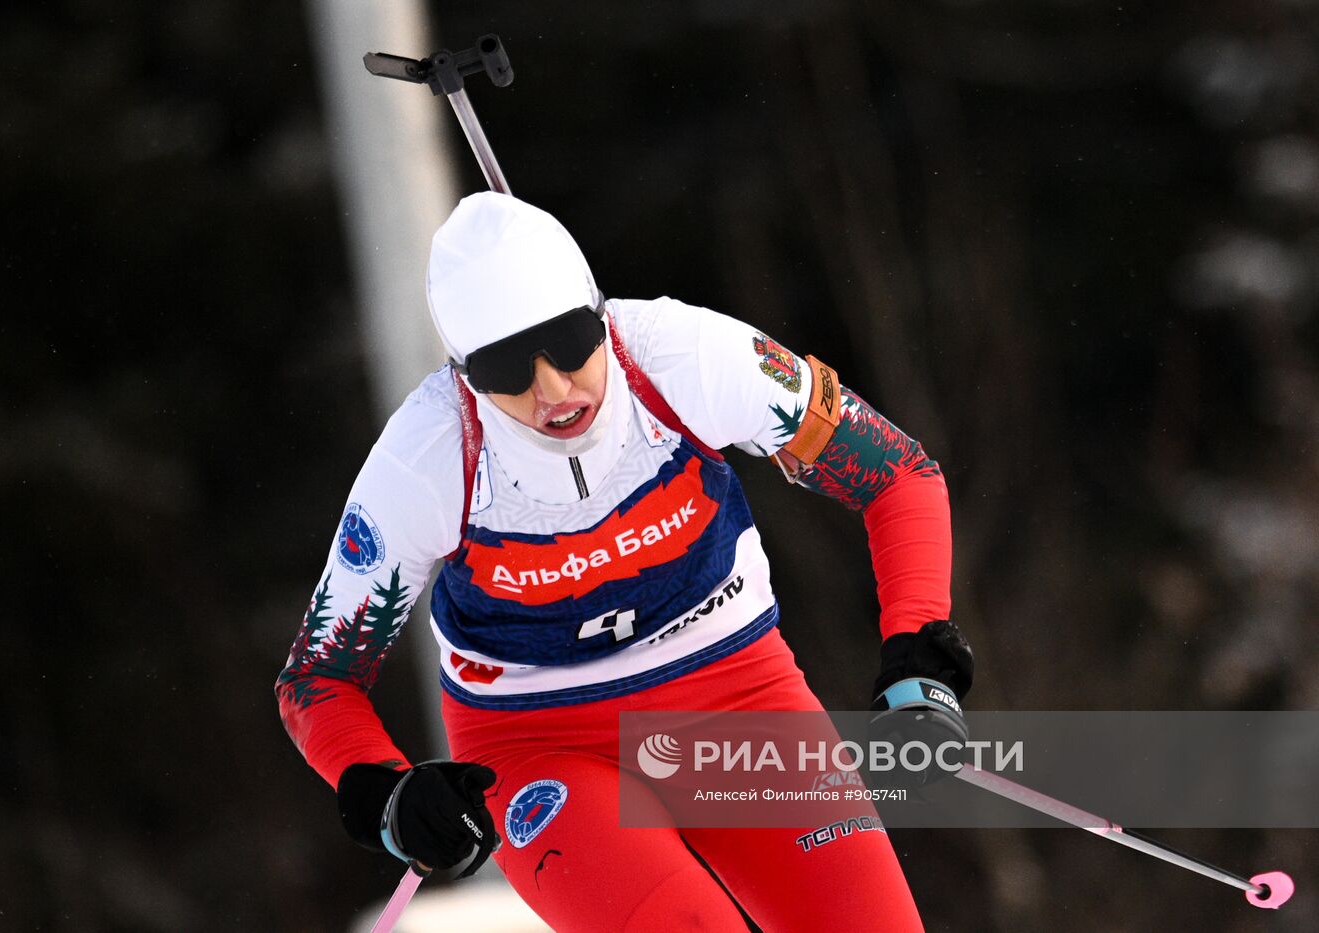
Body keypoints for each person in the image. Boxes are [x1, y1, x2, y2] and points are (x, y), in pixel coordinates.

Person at [276, 192, 973, 931]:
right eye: (507, 367)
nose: (550, 388)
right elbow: (317, 676)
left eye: (569, 342)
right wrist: (387, 794)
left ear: (600, 315)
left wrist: (917, 649)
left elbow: (897, 473)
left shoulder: (686, 357)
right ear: (464, 374)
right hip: (540, 743)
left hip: (738, 704)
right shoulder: (429, 457)